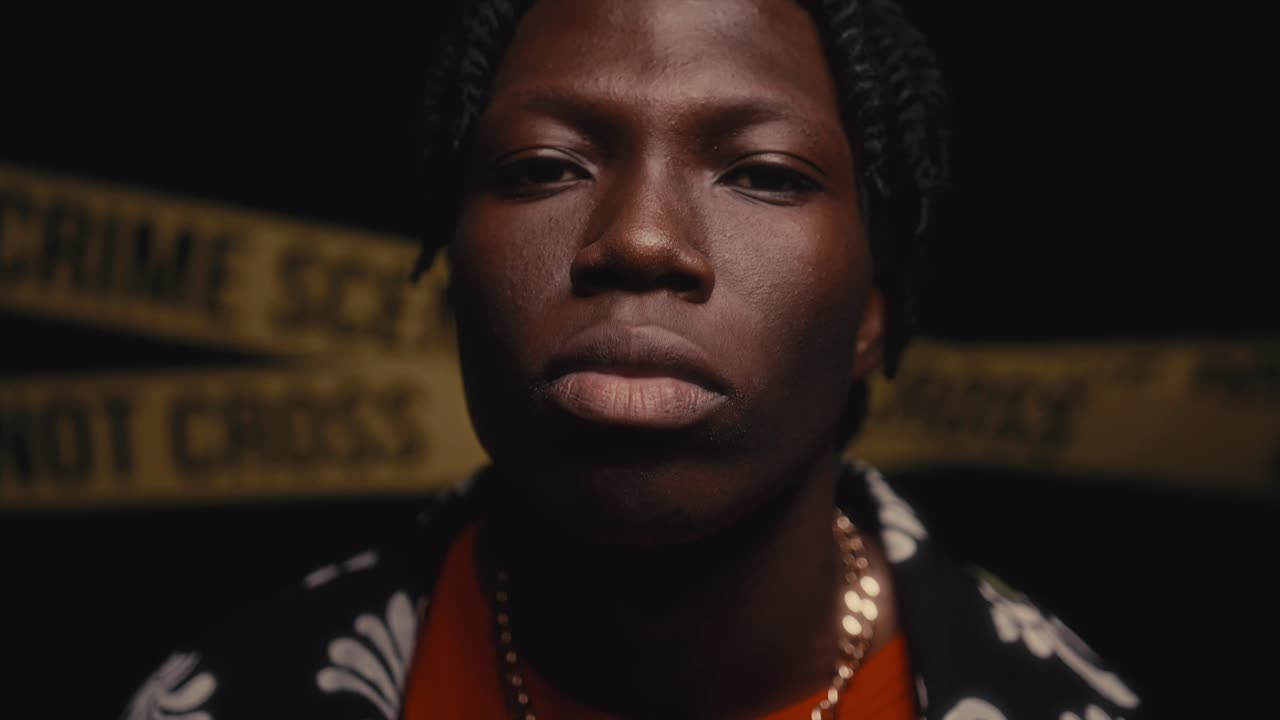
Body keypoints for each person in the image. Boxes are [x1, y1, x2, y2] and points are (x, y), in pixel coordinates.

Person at [123, 1, 1141, 718]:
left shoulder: (1055, 705)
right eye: (543, 167)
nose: (639, 240)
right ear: (450, 272)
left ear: (871, 312)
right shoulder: (229, 693)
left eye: (762, 174)